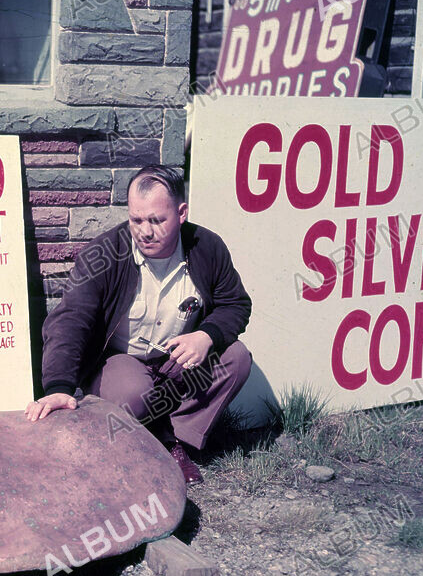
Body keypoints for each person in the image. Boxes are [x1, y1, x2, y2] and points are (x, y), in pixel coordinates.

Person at [25, 164, 253, 486]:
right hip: (121, 362)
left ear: (181, 212)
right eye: (136, 220)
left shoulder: (207, 247)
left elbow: (236, 303)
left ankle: (177, 442)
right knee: (134, 392)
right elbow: (69, 320)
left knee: (236, 359)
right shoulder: (103, 255)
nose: (145, 231)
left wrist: (206, 335)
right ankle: (150, 441)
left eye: (157, 220)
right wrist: (59, 388)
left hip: (177, 363)